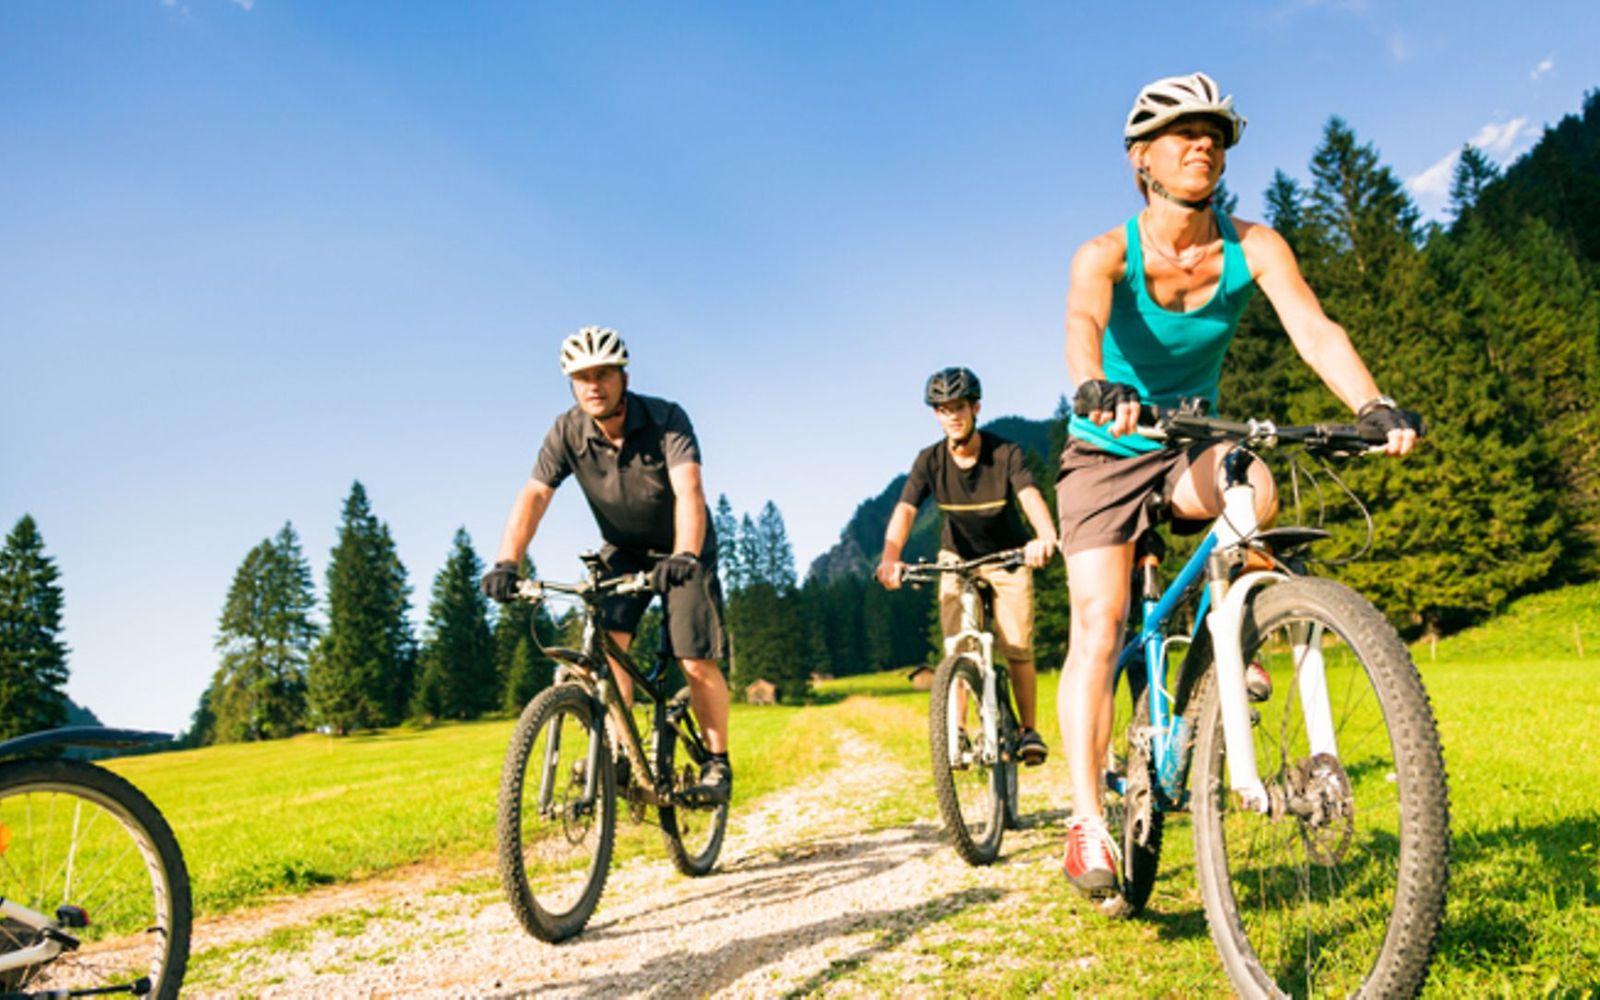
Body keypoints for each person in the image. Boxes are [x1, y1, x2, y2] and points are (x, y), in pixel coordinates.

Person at [1056, 72, 1421, 899]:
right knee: (1099, 624)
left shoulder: (1253, 245)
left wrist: (1371, 403)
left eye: (1215, 131)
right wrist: (1094, 387)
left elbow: (1312, 326)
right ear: (1142, 159)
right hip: (1106, 448)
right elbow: (1082, 322)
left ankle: (1241, 630)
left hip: (1192, 443)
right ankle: (1085, 822)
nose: (1204, 143)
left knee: (1250, 474)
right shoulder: (1106, 251)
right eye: (1183, 131)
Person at [481, 326, 734, 804]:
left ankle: (717, 764)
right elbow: (535, 494)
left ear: (623, 377)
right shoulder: (567, 431)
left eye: (602, 375)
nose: (592, 385)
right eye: (581, 378)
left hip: (683, 547)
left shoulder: (665, 419)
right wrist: (506, 561)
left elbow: (689, 490)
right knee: (605, 645)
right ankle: (619, 753)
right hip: (623, 548)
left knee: (693, 659)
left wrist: (684, 553)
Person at [876, 367, 1060, 764]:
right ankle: (956, 733)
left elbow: (1029, 496)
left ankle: (1028, 730)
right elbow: (906, 510)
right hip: (957, 560)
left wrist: (1044, 537)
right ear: (936, 415)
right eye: (943, 409)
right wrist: (890, 559)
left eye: (959, 407)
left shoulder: (1005, 454)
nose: (952, 416)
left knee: (1016, 647)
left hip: (1008, 557)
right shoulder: (929, 461)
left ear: (975, 408)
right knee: (959, 644)